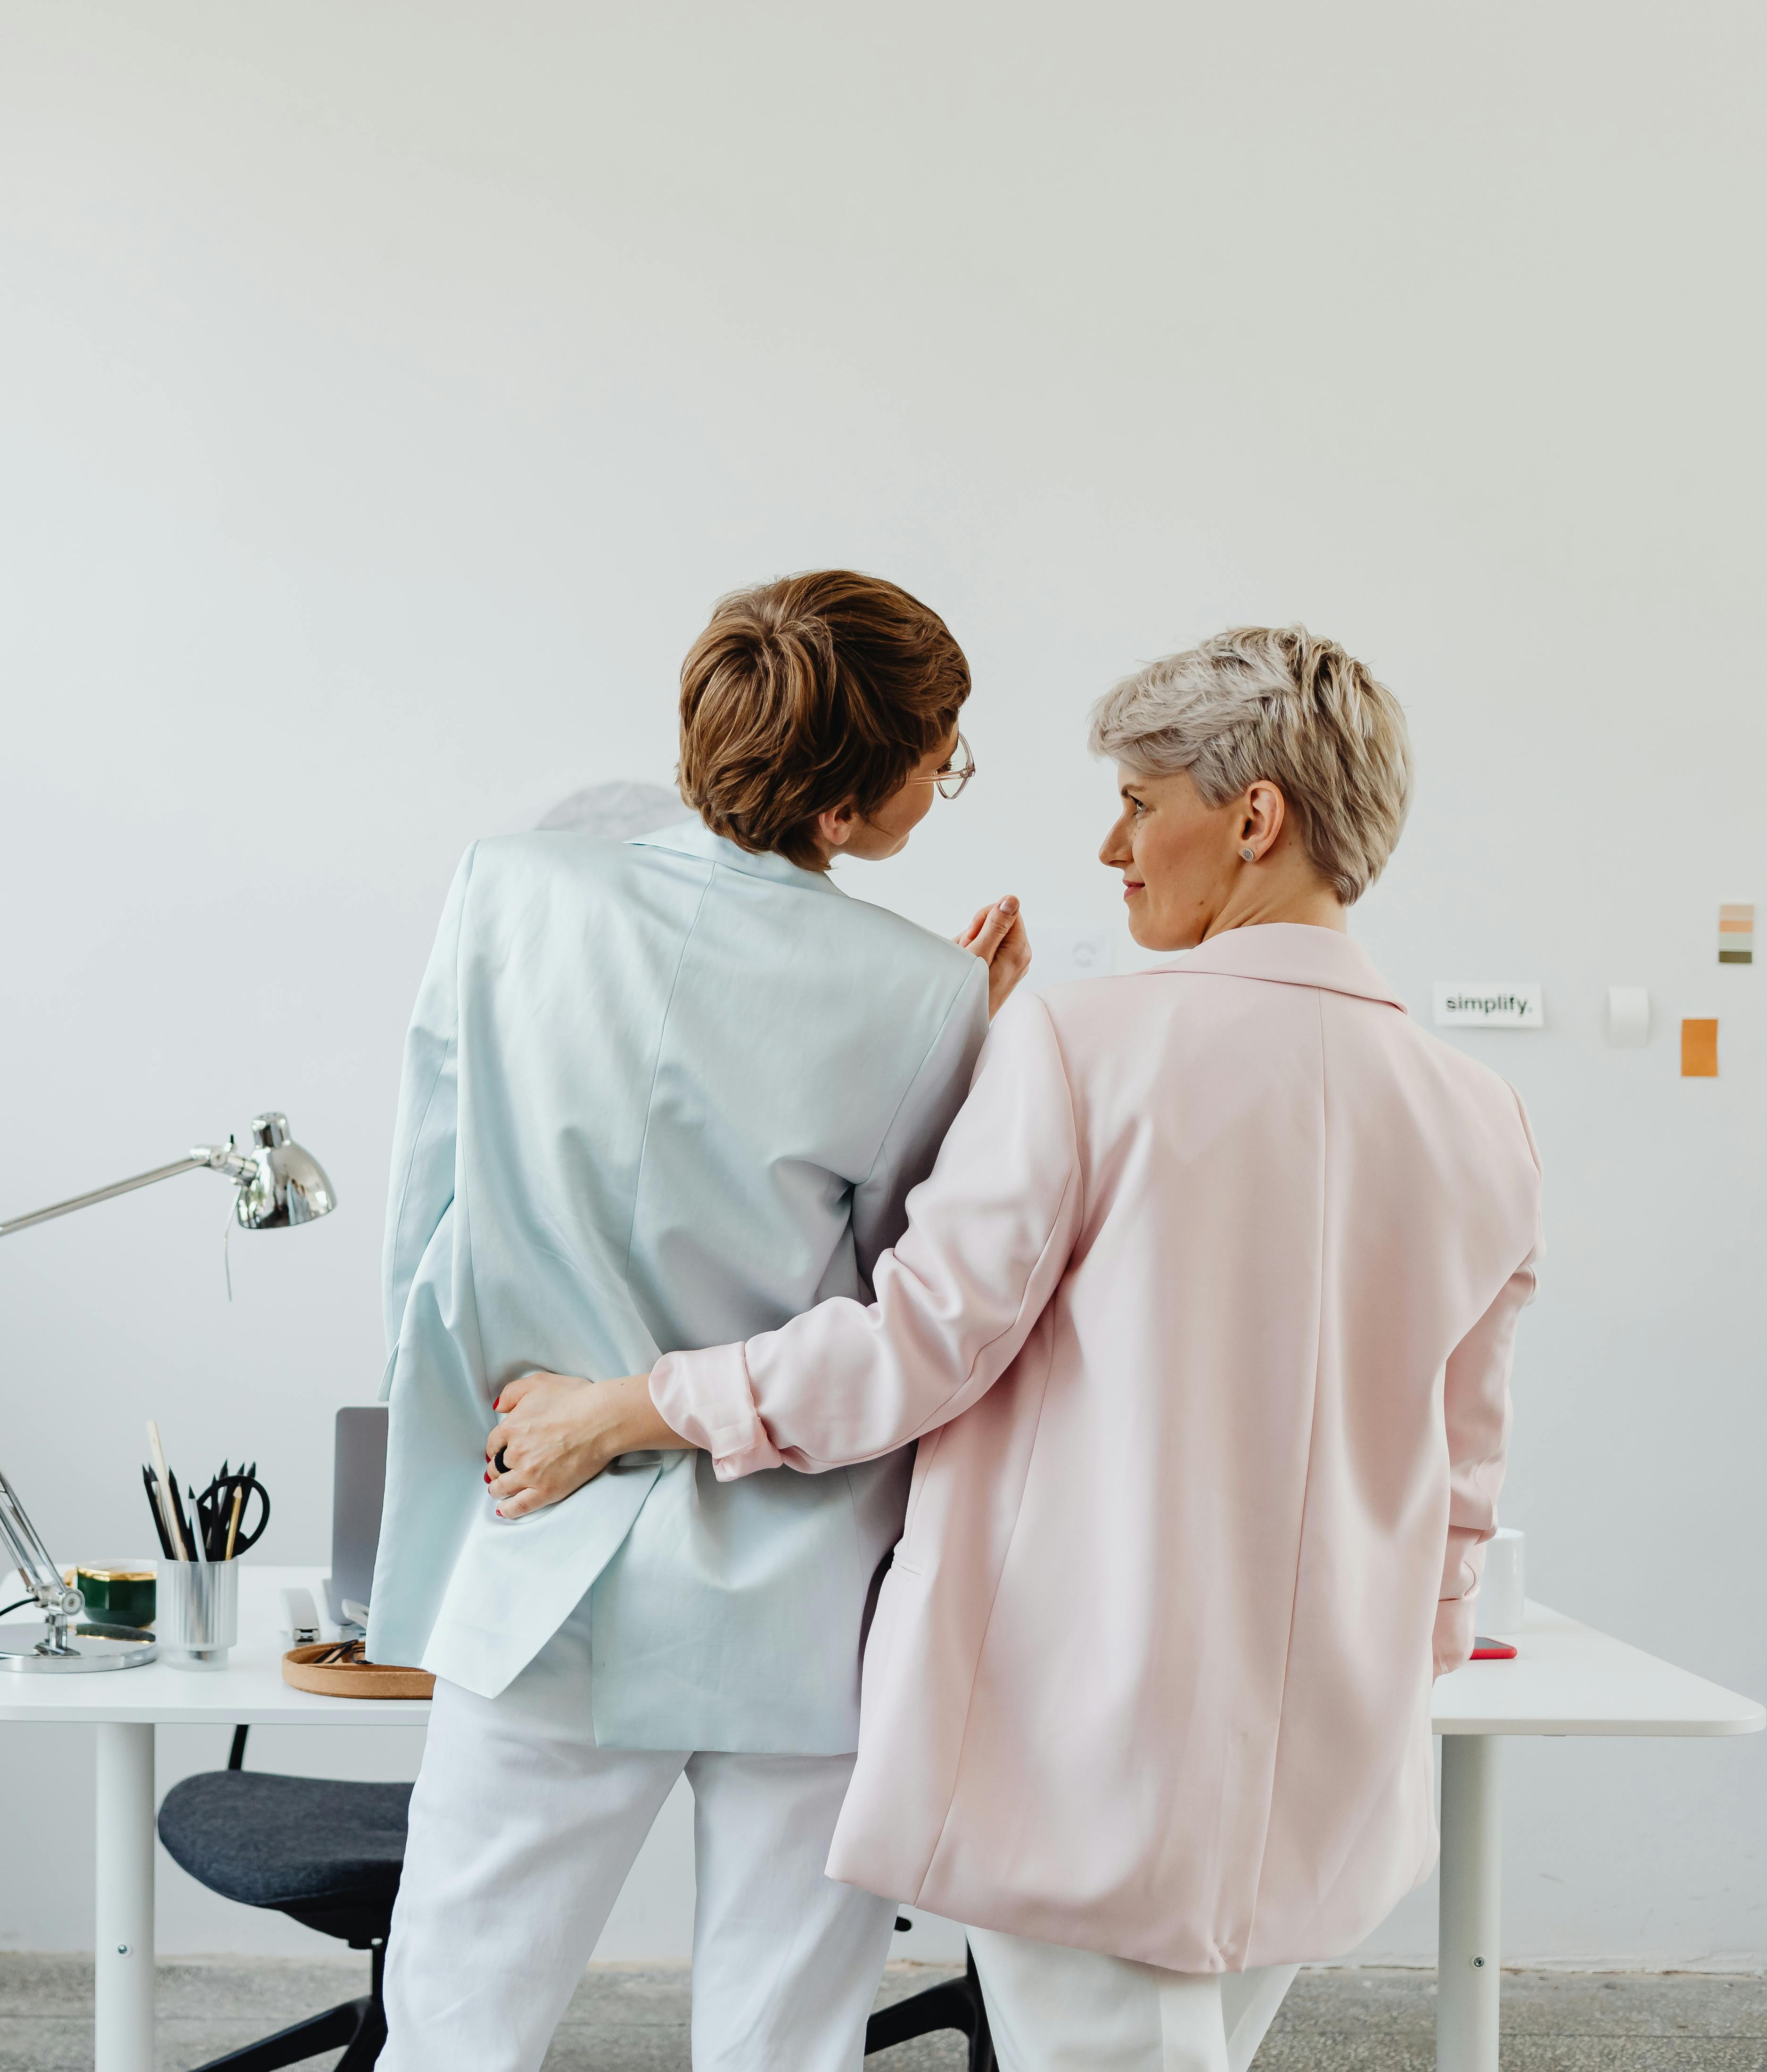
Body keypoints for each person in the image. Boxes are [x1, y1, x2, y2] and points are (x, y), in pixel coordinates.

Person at [484, 625, 1541, 2072]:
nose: (1112, 844)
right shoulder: (1479, 1112)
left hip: (1085, 1741)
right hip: (1334, 1760)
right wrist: (1390, 1675)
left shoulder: (1085, 1047)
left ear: (1252, 817)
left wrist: (631, 1407)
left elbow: (912, 1349)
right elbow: (1460, 1475)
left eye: (1138, 799)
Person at [369, 569, 1027, 2072]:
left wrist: (455, 1483)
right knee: (782, 2046)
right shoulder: (923, 993)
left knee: (453, 2034)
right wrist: (955, 1034)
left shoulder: (505, 890)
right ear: (855, 800)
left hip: (540, 1539)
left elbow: (428, 1229)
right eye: (942, 751)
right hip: (795, 1588)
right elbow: (890, 1327)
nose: (946, 777)